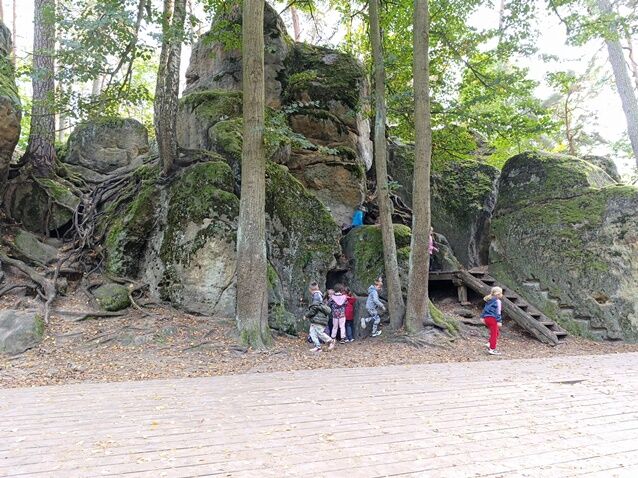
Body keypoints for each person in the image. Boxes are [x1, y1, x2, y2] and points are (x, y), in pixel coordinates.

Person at [304, 282, 335, 352]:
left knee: (319, 332)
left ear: (310, 289)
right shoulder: (318, 295)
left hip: (318, 319)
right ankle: (318, 346)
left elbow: (314, 308)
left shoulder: (316, 296)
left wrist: (306, 315)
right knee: (312, 333)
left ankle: (331, 341)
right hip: (317, 319)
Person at [481, 286, 503, 355]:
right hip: (493, 318)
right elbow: (498, 312)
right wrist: (499, 321)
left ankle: (489, 343)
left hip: (487, 318)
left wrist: (482, 317)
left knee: (496, 332)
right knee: (494, 334)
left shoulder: (489, 300)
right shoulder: (498, 301)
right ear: (498, 294)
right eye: (501, 293)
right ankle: (492, 349)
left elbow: (485, 309)